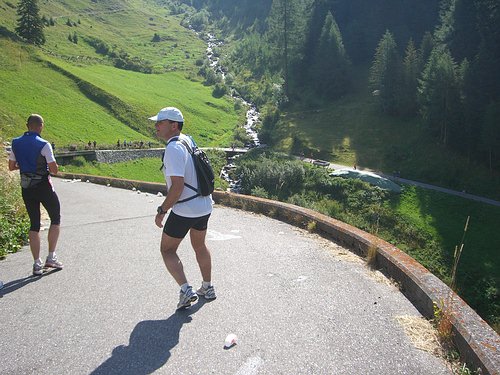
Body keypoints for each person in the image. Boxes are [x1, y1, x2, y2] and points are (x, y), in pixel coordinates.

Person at [149, 106, 215, 309]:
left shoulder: (173, 148)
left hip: (186, 208)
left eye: (160, 122)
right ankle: (208, 287)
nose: (156, 126)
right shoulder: (188, 140)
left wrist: (162, 210)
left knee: (167, 249)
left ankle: (186, 290)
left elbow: (177, 187)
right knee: (200, 246)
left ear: (173, 125)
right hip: (204, 205)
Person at [8, 114, 63, 276]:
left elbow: (11, 166)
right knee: (56, 217)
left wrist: (26, 167)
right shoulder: (43, 144)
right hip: (44, 187)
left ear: (27, 125)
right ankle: (51, 256)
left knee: (34, 224)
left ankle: (36, 263)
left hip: (26, 187)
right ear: (40, 126)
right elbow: (54, 170)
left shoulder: (15, 143)